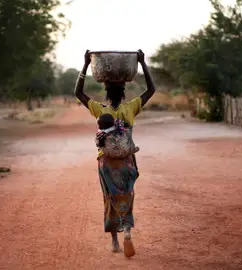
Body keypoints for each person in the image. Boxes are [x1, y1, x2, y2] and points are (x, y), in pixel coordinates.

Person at [74, 49, 155, 257]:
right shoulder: (131, 108)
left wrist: (85, 65)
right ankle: (127, 229)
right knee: (127, 195)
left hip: (107, 163)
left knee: (109, 198)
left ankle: (115, 243)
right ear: (124, 93)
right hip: (127, 161)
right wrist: (143, 63)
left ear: (107, 94)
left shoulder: (101, 110)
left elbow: (78, 94)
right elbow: (151, 90)